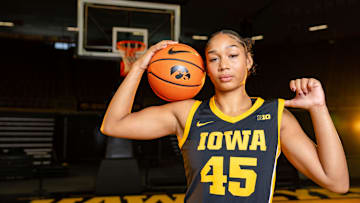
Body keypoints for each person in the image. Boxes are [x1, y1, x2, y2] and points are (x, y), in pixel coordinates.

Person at [101, 30, 349, 203]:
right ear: (205, 69)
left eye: (233, 55)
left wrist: (319, 109)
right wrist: (140, 67)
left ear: (248, 61)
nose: (224, 65)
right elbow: (113, 125)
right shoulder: (187, 113)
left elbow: (337, 182)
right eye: (213, 58)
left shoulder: (276, 117)